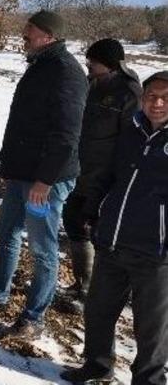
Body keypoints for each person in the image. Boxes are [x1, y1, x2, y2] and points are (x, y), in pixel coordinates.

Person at [0, 10, 88, 341]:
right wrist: (7, 164)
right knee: (7, 230)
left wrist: (45, 181)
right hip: (22, 173)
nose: (23, 34)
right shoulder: (40, 66)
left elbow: (67, 136)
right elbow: (21, 124)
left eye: (29, 31)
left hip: (45, 183)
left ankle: (34, 318)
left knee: (42, 247)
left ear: (48, 36)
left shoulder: (67, 73)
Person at [61, 71, 168, 385]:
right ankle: (97, 366)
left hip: (156, 253)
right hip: (113, 241)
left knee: (151, 327)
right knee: (98, 312)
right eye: (151, 96)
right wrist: (93, 211)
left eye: (165, 97)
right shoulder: (131, 131)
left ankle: (148, 381)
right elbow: (107, 176)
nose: (157, 103)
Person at [55, 38, 141, 314]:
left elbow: (133, 141)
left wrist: (118, 181)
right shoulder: (92, 84)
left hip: (106, 179)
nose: (89, 64)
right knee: (74, 224)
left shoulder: (130, 93)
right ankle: (84, 283)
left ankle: (96, 293)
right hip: (81, 171)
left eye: (94, 60)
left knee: (98, 234)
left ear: (109, 63)